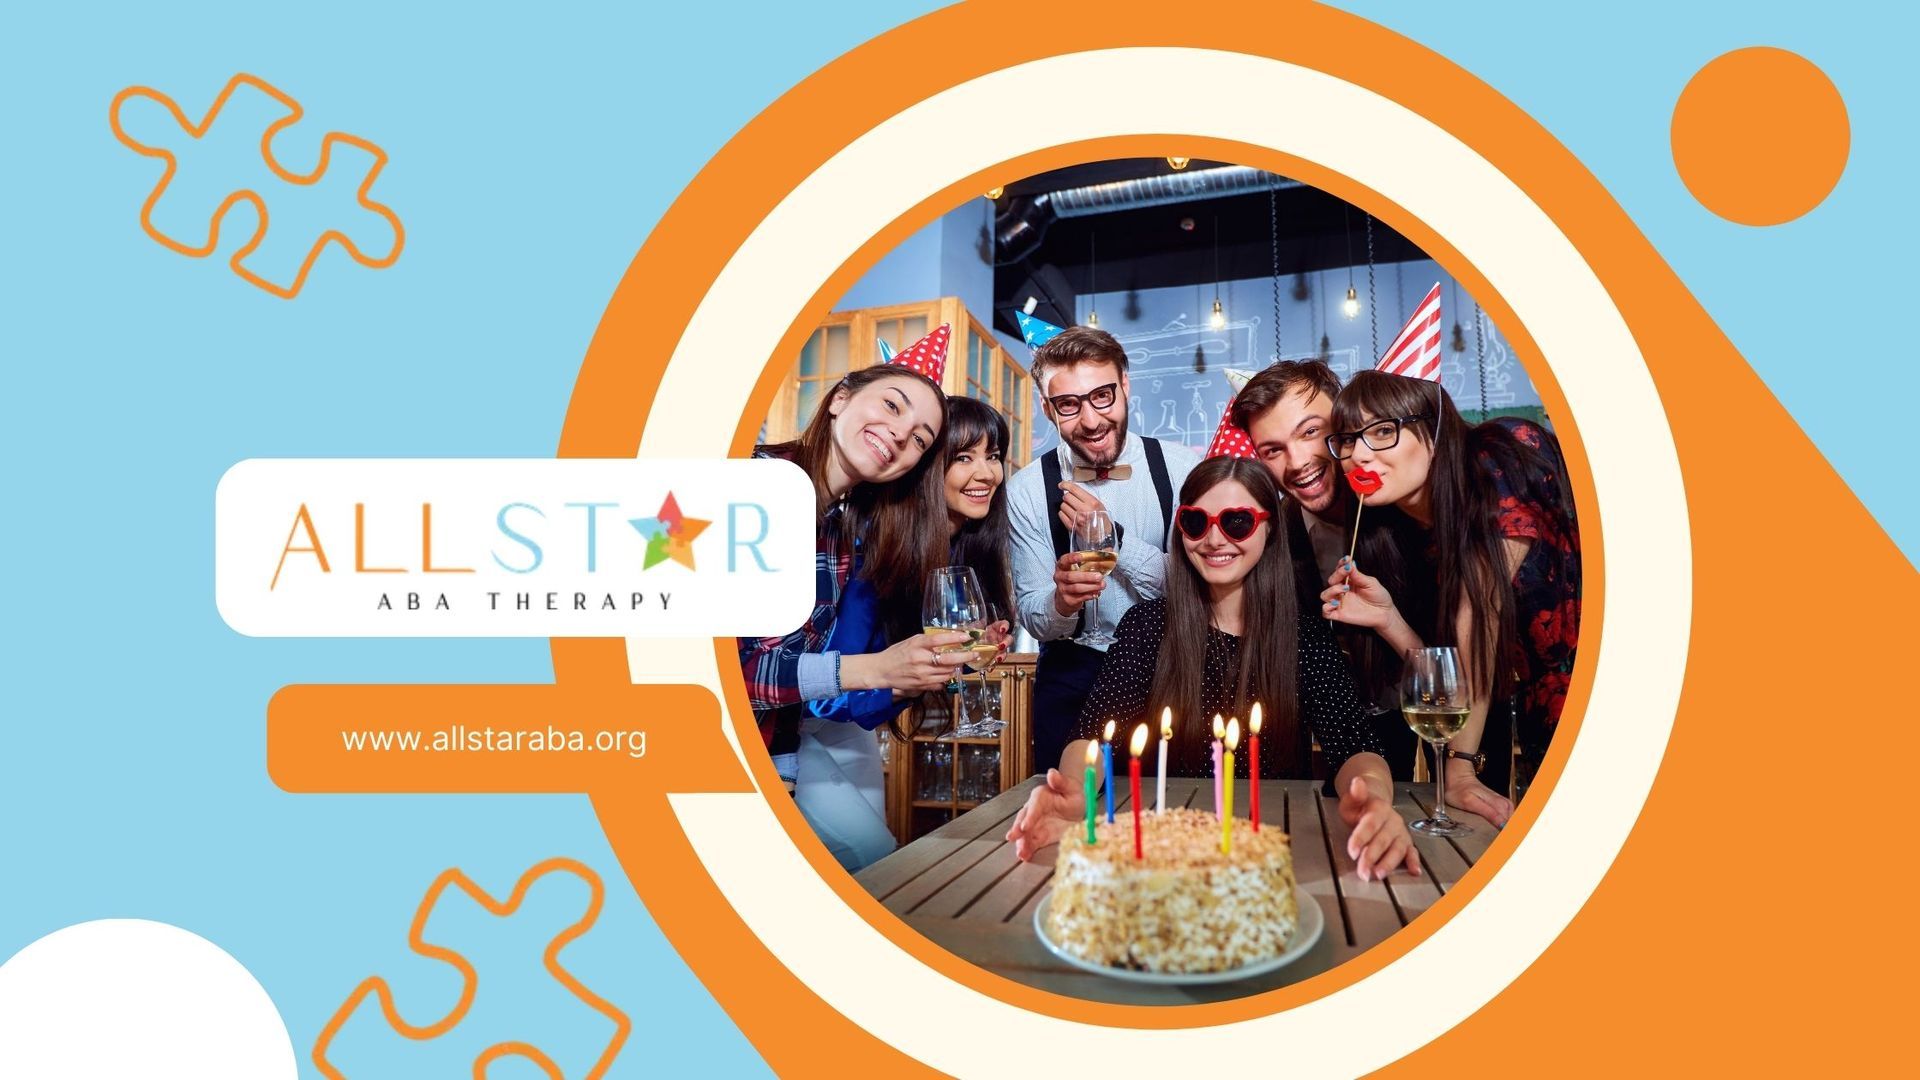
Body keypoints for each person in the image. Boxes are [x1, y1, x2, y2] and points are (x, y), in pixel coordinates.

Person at [1004, 455, 1419, 882]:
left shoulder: (1303, 634)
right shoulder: (1147, 627)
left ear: (1269, 527)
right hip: (1161, 856)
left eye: (1237, 521)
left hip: (1266, 856)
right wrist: (1074, 793)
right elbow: (1091, 738)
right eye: (1197, 522)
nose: (1215, 539)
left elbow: (1355, 747)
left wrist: (1374, 800)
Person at [1321, 370, 1580, 814]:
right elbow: (1449, 673)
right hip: (1541, 722)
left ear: (1435, 430)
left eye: (1383, 431)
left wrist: (1458, 770)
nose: (1358, 455)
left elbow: (1481, 610)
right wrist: (1389, 620)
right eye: (1346, 440)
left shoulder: (1499, 451)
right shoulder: (1410, 536)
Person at [739, 327, 973, 794]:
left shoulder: (841, 535)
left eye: (920, 439)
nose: (901, 433)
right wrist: (879, 669)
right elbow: (725, 673)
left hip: (773, 767)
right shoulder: (750, 484)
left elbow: (791, 673)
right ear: (839, 398)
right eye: (891, 405)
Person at [798, 396, 1015, 870]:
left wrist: (954, 662)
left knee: (866, 868)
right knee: (874, 853)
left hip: (851, 730)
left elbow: (903, 672)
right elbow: (824, 689)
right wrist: (904, 677)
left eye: (993, 456)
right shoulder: (876, 545)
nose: (986, 474)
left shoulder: (961, 550)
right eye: (963, 457)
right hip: (792, 726)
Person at [1006, 324, 1199, 773]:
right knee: (1070, 823)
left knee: (1170, 821)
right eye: (1068, 405)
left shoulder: (1184, 468)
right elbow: (1036, 618)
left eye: (1102, 396)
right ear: (1046, 408)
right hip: (1071, 681)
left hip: (1170, 671)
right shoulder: (1027, 490)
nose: (1091, 420)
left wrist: (1114, 541)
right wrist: (1061, 602)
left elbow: (1196, 589)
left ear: (1125, 385)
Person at [1231, 360, 1419, 777]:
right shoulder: (1273, 536)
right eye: (1272, 450)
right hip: (1335, 746)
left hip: (1432, 734)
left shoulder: (1408, 511)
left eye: (1310, 432)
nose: (1297, 462)